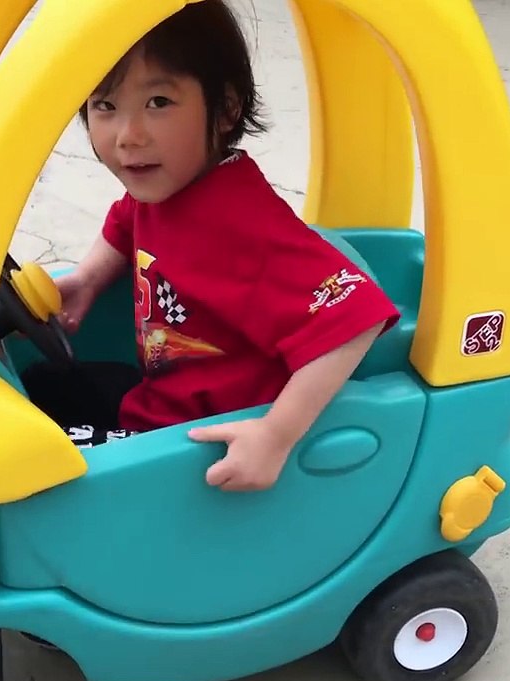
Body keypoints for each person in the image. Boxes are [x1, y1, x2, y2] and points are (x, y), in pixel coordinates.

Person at [20, 0, 399, 493]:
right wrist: (90, 278)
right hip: (158, 401)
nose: (128, 137)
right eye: (105, 106)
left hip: (195, 446)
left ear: (225, 109)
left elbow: (356, 316)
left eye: (158, 102)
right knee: (41, 384)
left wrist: (276, 435)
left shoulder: (242, 226)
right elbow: (127, 219)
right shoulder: (167, 183)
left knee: (30, 470)